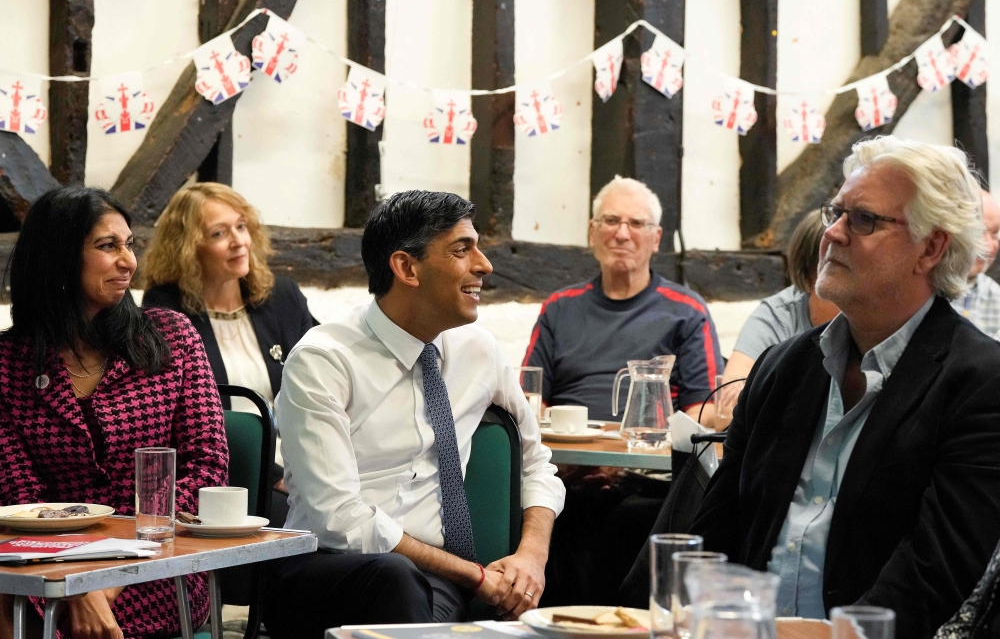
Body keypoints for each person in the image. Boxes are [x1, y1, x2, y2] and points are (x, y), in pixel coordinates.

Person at [690, 136, 1000, 638]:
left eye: (863, 219)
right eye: (836, 212)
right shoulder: (781, 368)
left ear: (931, 247)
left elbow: (934, 577)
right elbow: (715, 537)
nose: (831, 233)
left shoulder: (981, 383)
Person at [263, 190, 565, 638]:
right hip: (330, 571)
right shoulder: (325, 359)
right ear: (407, 268)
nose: (484, 265)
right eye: (462, 250)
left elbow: (537, 461)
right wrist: (475, 576)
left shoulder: (477, 349)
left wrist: (531, 557)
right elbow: (340, 519)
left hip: (447, 578)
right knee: (394, 577)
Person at [0, 186, 229, 639]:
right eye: (108, 246)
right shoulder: (8, 363)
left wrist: (109, 577)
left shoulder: (169, 337)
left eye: (129, 244)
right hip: (38, 563)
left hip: (157, 564)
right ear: (59, 258)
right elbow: (17, 498)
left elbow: (206, 467)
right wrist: (74, 581)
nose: (129, 261)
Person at [141, 182, 316, 525]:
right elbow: (186, 423)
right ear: (188, 248)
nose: (239, 241)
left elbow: (322, 386)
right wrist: (276, 475)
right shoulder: (166, 312)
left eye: (241, 226)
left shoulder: (282, 297)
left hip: (305, 465)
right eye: (220, 233)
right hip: (226, 477)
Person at [523, 176, 724, 425]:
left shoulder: (688, 311)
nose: (622, 234)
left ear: (657, 239)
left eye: (637, 223)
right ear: (592, 233)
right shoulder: (558, 307)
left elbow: (705, 409)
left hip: (648, 455)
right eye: (611, 221)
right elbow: (529, 399)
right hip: (566, 454)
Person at [716, 210, 839, 424]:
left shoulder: (878, 316)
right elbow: (726, 411)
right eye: (833, 264)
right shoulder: (778, 315)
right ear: (808, 274)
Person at [950, 188, 1000, 337]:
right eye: (980, 231)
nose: (989, 246)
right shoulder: (921, 294)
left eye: (995, 234)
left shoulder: (996, 299)